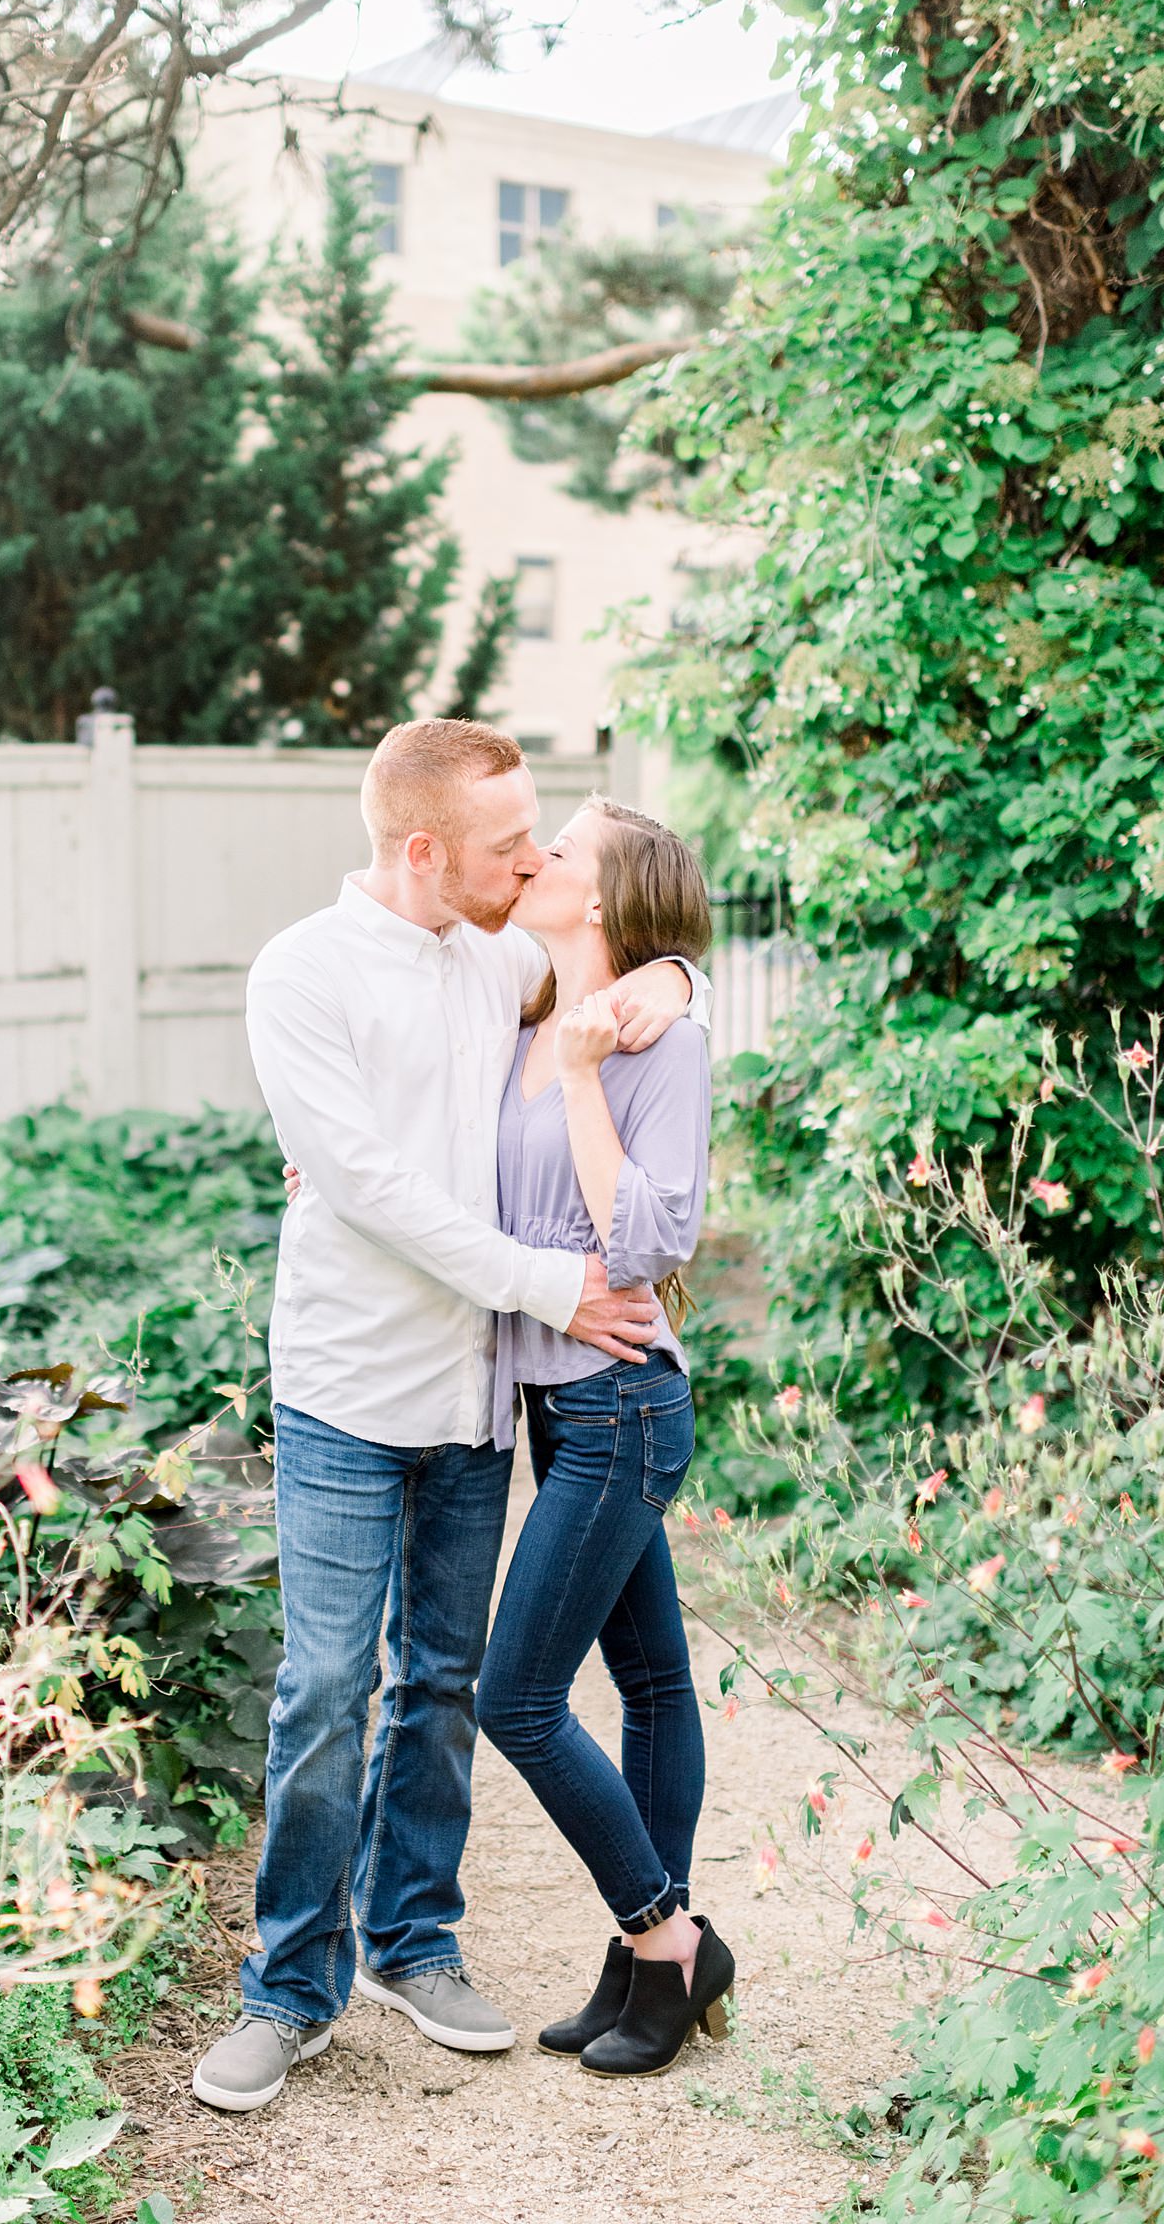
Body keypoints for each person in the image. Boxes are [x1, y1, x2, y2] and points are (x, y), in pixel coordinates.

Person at [190, 719, 711, 2113]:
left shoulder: (504, 959)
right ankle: (287, 1988)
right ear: (422, 851)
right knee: (321, 1693)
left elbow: (627, 947)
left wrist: (675, 972)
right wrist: (552, 1282)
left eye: (540, 835)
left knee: (436, 1685)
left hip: (478, 1396)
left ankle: (412, 1945)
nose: (531, 859)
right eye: (505, 844)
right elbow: (364, 1182)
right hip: (349, 1391)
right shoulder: (299, 973)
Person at [473, 794, 734, 2075]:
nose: (537, 859)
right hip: (551, 1402)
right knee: (650, 1685)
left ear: (608, 898)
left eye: (561, 849)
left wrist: (590, 1073)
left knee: (515, 1696)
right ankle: (642, 1969)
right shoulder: (523, 1009)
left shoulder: (648, 1042)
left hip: (622, 1396)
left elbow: (645, 1241)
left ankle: (665, 1939)